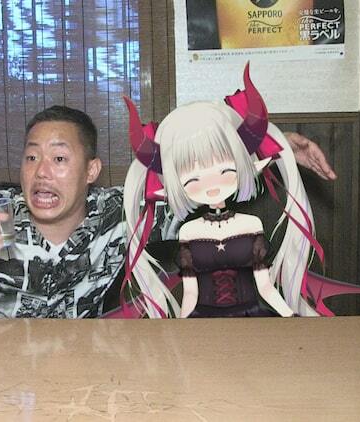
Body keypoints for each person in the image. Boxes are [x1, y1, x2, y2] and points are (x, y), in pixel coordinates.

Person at [0, 104, 336, 318]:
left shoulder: (120, 213)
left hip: (74, 373)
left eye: (59, 158)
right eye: (31, 156)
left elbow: (198, 181)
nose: (41, 172)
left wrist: (275, 147)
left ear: (91, 171)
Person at [122, 71, 318, 318]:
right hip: (202, 320)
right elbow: (190, 293)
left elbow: (265, 286)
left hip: (251, 316)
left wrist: (290, 317)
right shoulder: (188, 231)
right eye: (193, 179)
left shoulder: (251, 224)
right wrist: (181, 327)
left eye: (225, 170)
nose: (212, 185)